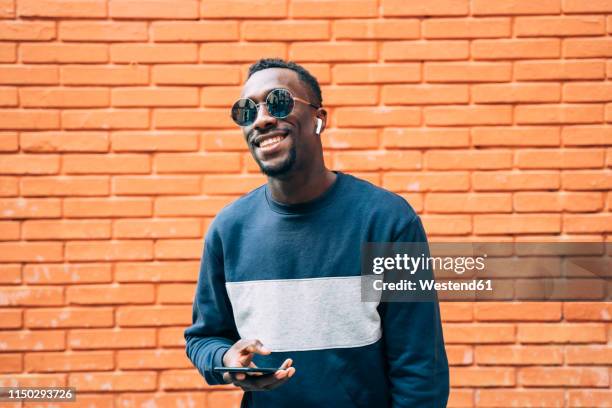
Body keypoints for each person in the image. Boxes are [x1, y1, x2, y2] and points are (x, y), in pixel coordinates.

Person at [184, 58, 449, 407]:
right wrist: (226, 360)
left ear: (319, 119)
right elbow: (204, 338)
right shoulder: (228, 230)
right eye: (246, 111)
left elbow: (420, 368)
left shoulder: (388, 222)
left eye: (278, 102)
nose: (261, 119)